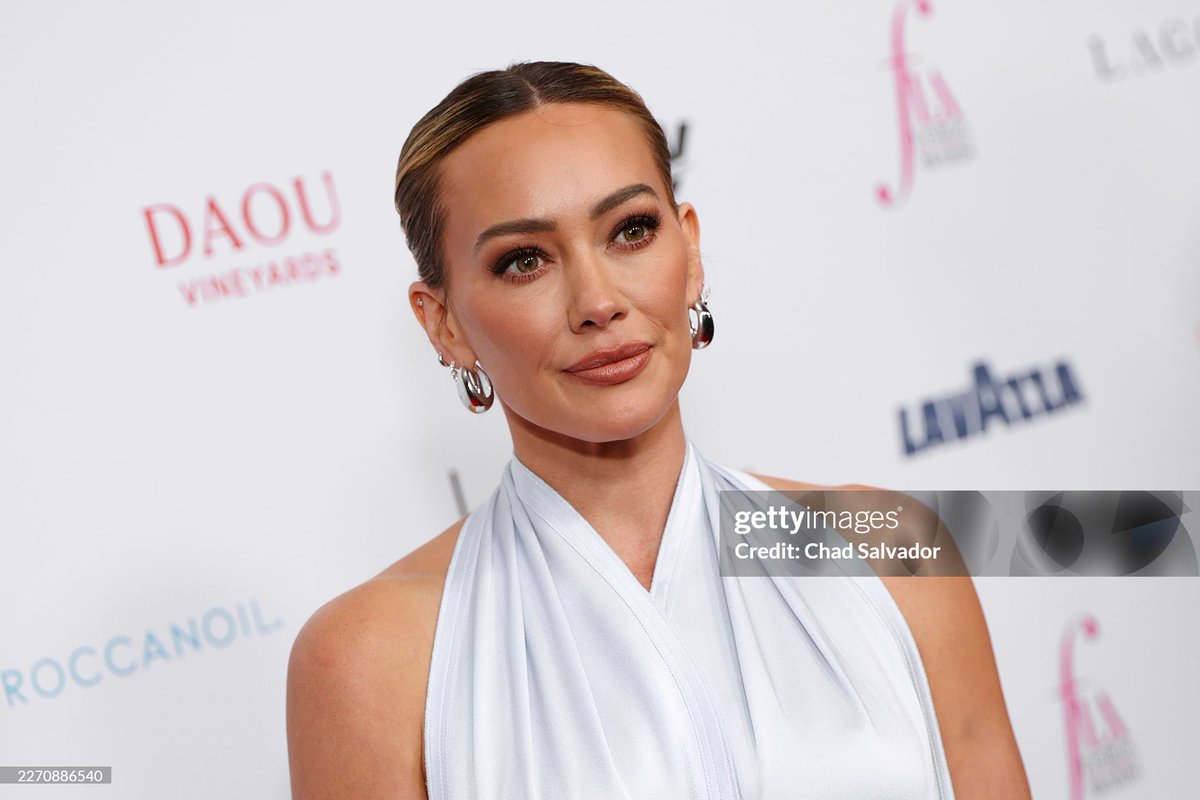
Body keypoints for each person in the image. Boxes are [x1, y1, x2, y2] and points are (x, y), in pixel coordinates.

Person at [286, 61, 1030, 799]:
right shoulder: (370, 659)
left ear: (690, 250)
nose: (597, 302)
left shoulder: (891, 550)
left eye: (631, 230)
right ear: (444, 324)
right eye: (524, 261)